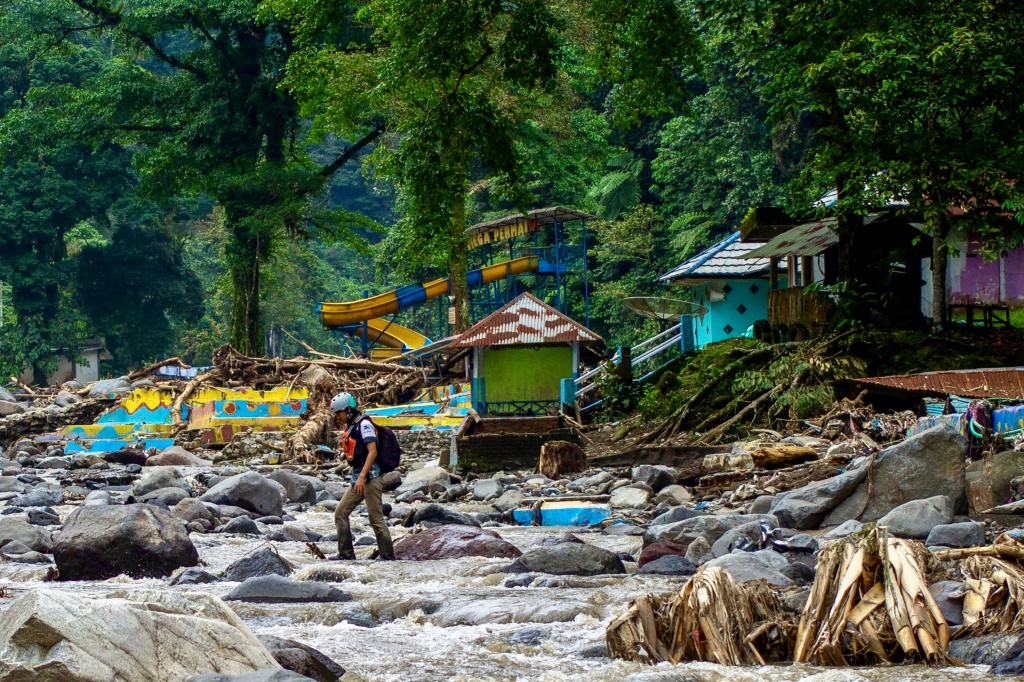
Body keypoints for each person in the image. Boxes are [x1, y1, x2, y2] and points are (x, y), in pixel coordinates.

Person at [330, 392, 395, 560]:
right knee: (340, 512)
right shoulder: (351, 426)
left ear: (348, 410)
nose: (337, 417)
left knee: (376, 519)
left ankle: (388, 557)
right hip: (358, 478)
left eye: (339, 413)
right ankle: (346, 554)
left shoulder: (364, 425)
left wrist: (362, 477)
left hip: (371, 478)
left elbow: (372, 452)